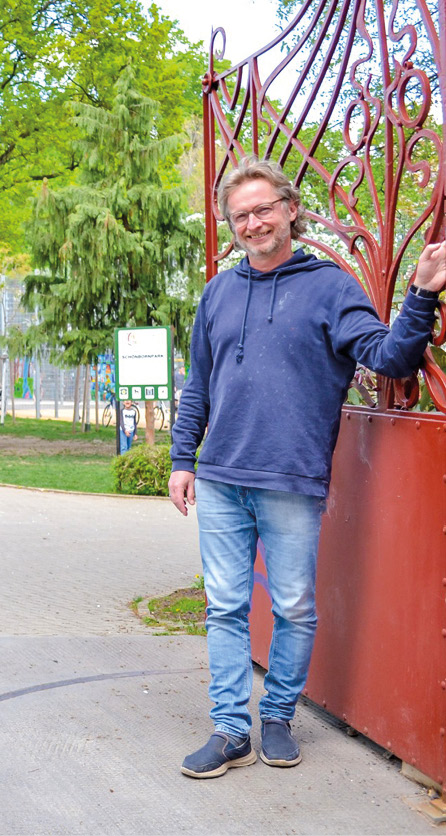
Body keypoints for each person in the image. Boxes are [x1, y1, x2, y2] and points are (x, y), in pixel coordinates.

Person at [168, 159, 444, 779]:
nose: (253, 223)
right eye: (240, 216)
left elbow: (391, 358)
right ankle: (231, 730)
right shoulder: (218, 293)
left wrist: (423, 292)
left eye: (264, 209)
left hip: (291, 480)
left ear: (291, 209)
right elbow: (199, 386)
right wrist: (183, 460)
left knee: (293, 606)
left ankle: (278, 716)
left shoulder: (329, 287)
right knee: (224, 607)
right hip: (220, 479)